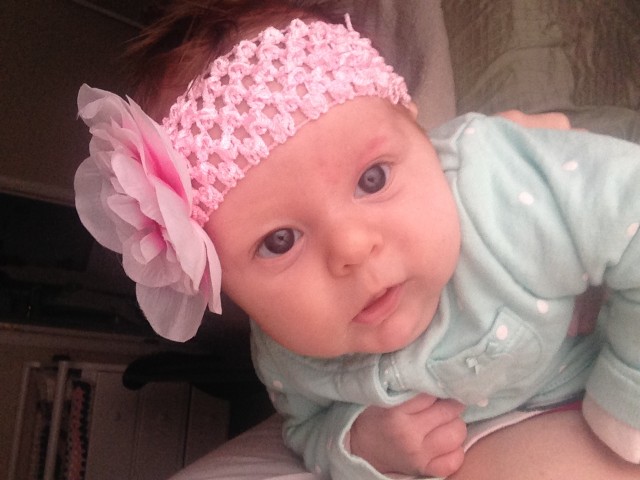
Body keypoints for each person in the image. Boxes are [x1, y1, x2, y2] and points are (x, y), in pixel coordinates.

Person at [73, 1, 640, 479]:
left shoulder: (499, 187)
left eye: (373, 180)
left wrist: (625, 402)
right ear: (221, 283)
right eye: (279, 241)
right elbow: (305, 425)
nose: (350, 248)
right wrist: (358, 440)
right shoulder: (286, 353)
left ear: (418, 133)